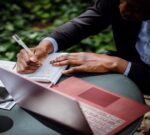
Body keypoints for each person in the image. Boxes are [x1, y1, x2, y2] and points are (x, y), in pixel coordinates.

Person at [16, 0, 150, 94]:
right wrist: (46, 46)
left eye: (136, 7)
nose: (122, 10)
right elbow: (91, 20)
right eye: (121, 1)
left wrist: (118, 64)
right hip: (131, 68)